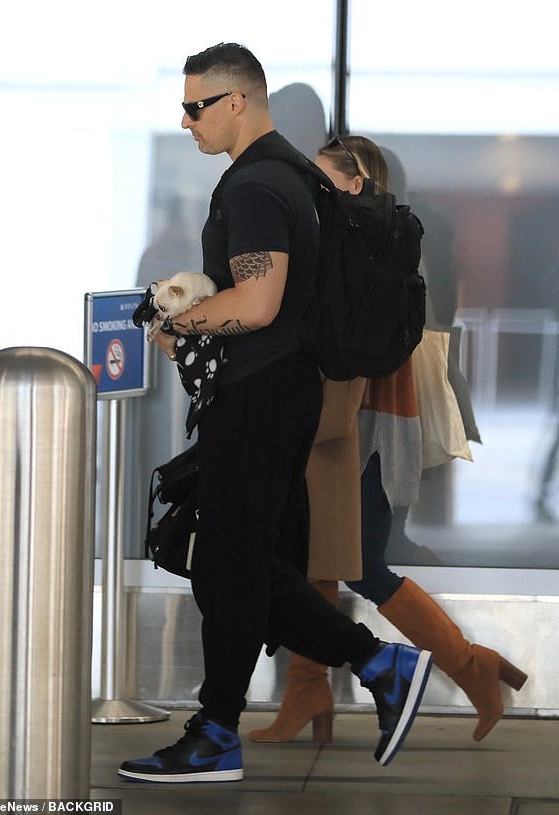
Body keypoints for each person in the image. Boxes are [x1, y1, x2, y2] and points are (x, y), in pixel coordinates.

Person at [118, 44, 433, 784]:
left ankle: (217, 732)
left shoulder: (258, 183)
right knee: (239, 566)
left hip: (261, 393)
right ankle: (378, 665)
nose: (187, 119)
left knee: (231, 565)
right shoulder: (292, 175)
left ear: (237, 102)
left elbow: (258, 302)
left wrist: (174, 327)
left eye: (197, 105)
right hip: (280, 390)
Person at [248, 135, 529, 747]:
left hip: (366, 419)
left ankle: (471, 668)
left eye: (321, 180)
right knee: (323, 555)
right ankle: (308, 691)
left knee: (363, 565)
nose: (309, 193)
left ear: (354, 181)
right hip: (352, 416)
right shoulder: (366, 237)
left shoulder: (366, 239)